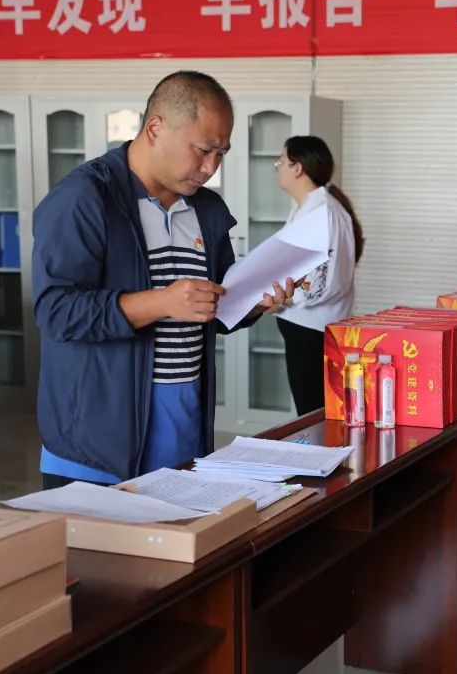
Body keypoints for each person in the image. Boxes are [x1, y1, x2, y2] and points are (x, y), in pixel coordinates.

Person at [32, 71, 296, 488]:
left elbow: (213, 307)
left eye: (221, 154)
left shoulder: (206, 209)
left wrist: (254, 302)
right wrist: (162, 302)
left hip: (182, 431)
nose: (210, 167)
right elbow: (56, 311)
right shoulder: (85, 198)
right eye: (203, 150)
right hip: (96, 445)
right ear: (155, 128)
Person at [274, 135, 364, 415]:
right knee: (310, 412)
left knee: (315, 414)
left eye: (281, 162)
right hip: (302, 327)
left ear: (297, 167)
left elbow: (324, 282)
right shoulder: (307, 207)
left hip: (313, 331)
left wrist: (284, 300)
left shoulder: (322, 212)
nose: (278, 168)